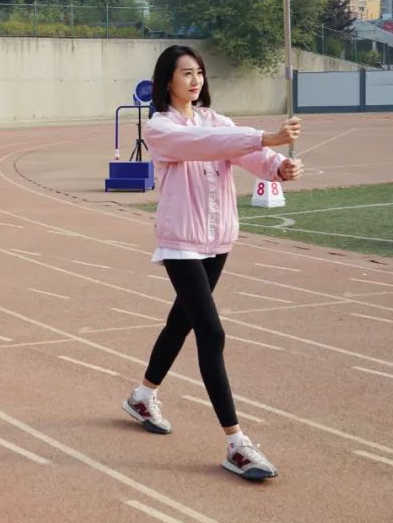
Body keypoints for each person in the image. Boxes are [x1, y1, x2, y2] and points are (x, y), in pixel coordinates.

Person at [122, 44, 303, 481]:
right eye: (186, 73)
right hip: (181, 243)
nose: (195, 80)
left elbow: (243, 152)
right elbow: (207, 145)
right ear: (168, 80)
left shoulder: (214, 120)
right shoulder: (161, 127)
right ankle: (236, 444)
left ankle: (142, 396)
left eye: (199, 72)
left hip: (218, 240)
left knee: (180, 323)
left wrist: (278, 167)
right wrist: (264, 137)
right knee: (210, 332)